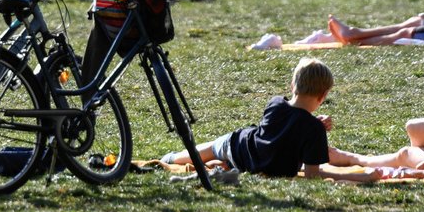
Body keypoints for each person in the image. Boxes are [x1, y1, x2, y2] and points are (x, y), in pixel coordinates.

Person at [160, 58, 378, 182]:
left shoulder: (275, 103)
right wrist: (361, 177)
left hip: (240, 150)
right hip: (259, 167)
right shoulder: (313, 130)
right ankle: (202, 162)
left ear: (293, 86)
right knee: (215, 149)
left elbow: (284, 130)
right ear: (323, 96)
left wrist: (313, 126)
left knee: (210, 148)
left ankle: (172, 158)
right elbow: (313, 175)